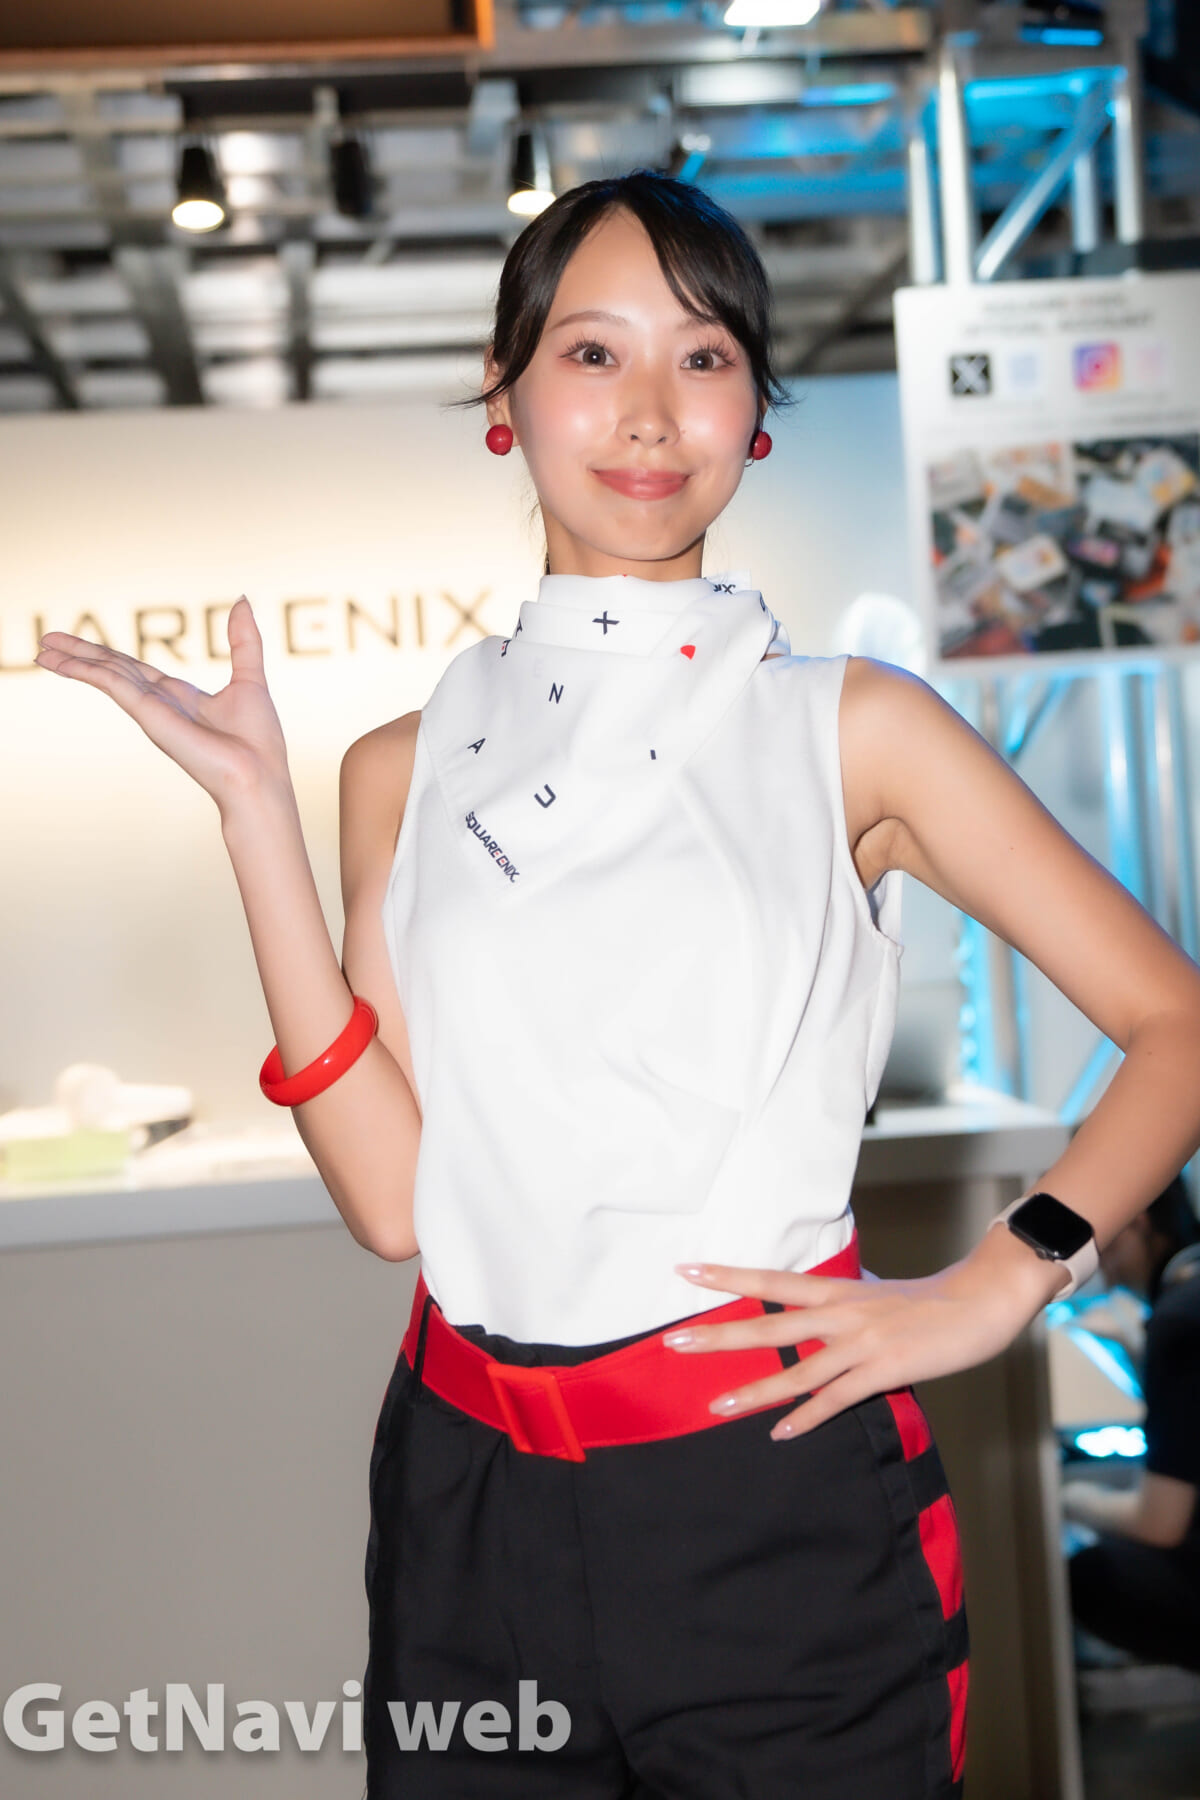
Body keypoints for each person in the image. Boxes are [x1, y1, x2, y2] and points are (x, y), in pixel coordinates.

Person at [29, 169, 1200, 1800]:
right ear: (504, 394)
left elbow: (1174, 1024)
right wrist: (254, 820)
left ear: (757, 413)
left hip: (773, 1503)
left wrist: (1004, 1280)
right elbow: (392, 1200)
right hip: (467, 1497)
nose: (652, 409)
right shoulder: (398, 765)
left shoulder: (855, 730)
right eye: (594, 352)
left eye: (704, 357)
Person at [1063, 1174, 1200, 1669]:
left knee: (1091, 1576)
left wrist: (1071, 1499)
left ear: (1136, 1219)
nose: (1094, 1262)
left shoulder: (1179, 1320)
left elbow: (1159, 1523)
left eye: (1097, 1240)